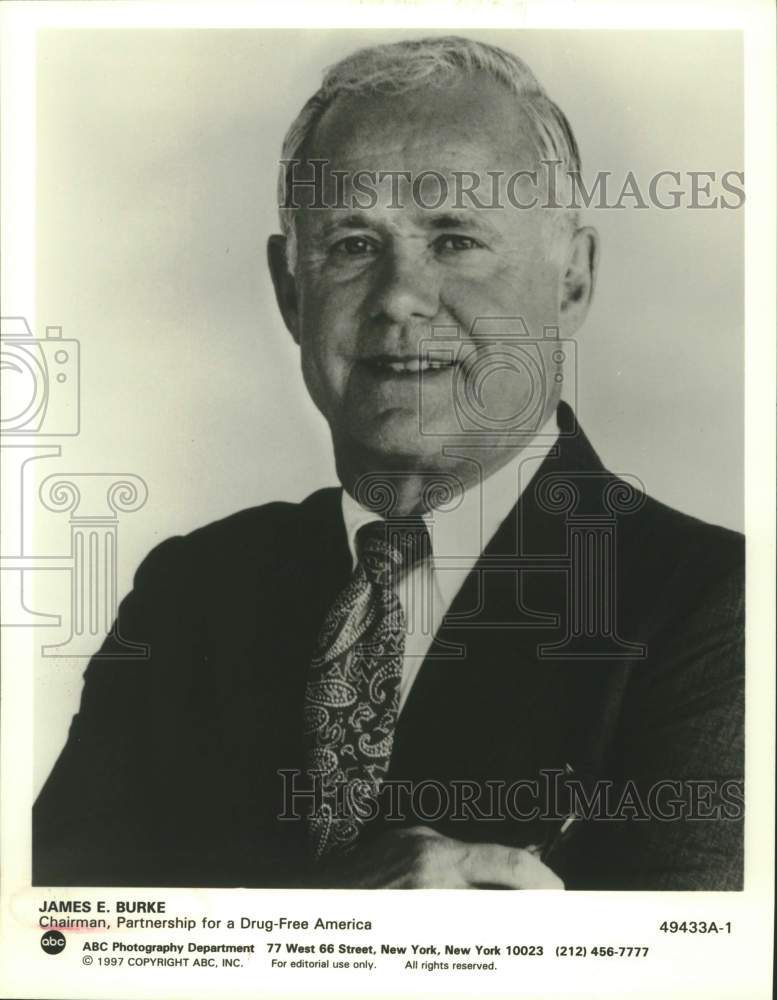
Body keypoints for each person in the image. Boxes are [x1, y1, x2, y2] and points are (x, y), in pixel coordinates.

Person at [33, 36, 744, 890]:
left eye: (453, 239)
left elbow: (698, 966)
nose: (400, 296)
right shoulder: (191, 593)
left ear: (572, 280)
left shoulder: (718, 606)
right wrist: (346, 918)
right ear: (289, 291)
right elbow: (57, 937)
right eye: (351, 245)